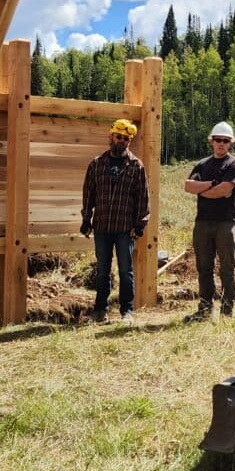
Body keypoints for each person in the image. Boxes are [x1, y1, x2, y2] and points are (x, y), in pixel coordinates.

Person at [80, 117, 149, 324]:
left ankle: (126, 311)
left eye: (126, 139)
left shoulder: (136, 166)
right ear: (110, 136)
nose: (121, 141)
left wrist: (140, 224)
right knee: (102, 270)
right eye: (118, 137)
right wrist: (86, 219)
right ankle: (100, 310)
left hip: (124, 228)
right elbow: (88, 193)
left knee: (125, 271)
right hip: (101, 226)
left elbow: (143, 197)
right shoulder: (96, 164)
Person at [184, 120, 235, 320]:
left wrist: (204, 189)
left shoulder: (234, 165)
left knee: (227, 267)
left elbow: (224, 190)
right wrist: (210, 185)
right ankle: (205, 308)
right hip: (202, 223)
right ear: (211, 141)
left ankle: (227, 310)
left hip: (226, 223)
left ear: (230, 143)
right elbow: (188, 187)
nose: (221, 143)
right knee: (204, 267)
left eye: (225, 141)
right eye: (217, 139)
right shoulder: (202, 164)